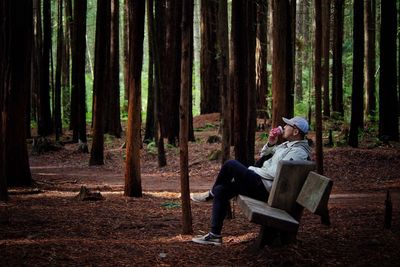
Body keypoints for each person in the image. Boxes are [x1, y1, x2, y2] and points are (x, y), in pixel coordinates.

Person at [190, 116, 312, 246]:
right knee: (222, 190)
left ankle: (211, 194)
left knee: (230, 164)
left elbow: (276, 173)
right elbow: (265, 154)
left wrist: (253, 171)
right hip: (262, 183)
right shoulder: (287, 145)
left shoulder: (298, 152)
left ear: (295, 132)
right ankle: (215, 235)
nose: (285, 126)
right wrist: (271, 142)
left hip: (267, 189)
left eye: (288, 125)